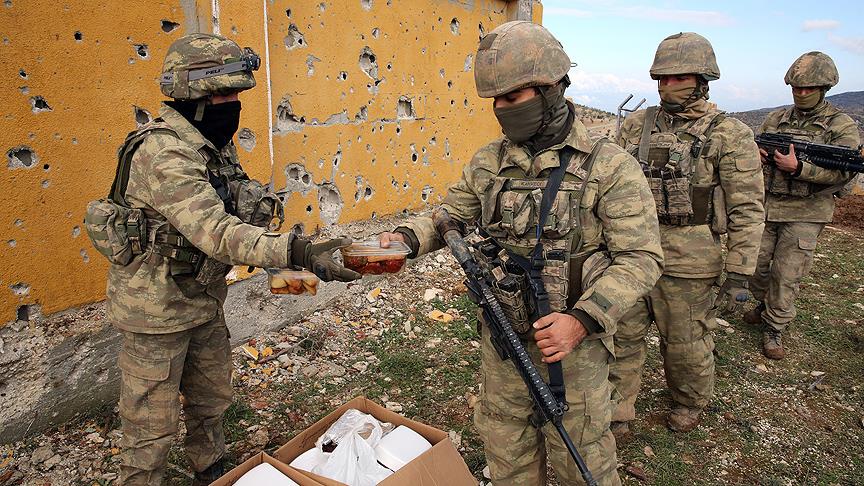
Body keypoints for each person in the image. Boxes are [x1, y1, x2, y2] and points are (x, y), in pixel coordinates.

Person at [378, 21, 663, 485]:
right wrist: (405, 239)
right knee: (508, 456)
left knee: (582, 461)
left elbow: (641, 258)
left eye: (512, 98)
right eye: (495, 101)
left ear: (551, 89)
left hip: (575, 347)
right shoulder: (490, 161)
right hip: (504, 338)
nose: (501, 111)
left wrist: (584, 318)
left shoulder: (609, 166)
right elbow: (449, 214)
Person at [89, 34, 360, 485]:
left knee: (211, 401)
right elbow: (216, 231)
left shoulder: (210, 142)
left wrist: (289, 261)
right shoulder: (164, 152)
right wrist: (300, 253)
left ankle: (211, 473)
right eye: (225, 94)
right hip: (154, 314)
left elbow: (239, 206)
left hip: (202, 296)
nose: (233, 104)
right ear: (194, 94)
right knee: (150, 431)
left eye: (237, 93)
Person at [609, 32, 765, 435]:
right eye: (661, 78)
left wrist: (740, 274)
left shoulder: (729, 134)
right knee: (621, 335)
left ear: (701, 79)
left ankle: (689, 400)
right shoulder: (634, 126)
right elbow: (605, 188)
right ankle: (618, 408)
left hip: (690, 260)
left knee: (685, 343)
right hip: (631, 252)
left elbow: (747, 209)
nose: (666, 86)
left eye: (678, 78)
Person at [745, 51, 860, 360]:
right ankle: (763, 303)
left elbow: (845, 172)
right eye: (798, 88)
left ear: (824, 88)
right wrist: (756, 155)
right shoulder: (776, 118)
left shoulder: (841, 125)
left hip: (808, 210)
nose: (802, 93)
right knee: (755, 266)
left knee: (787, 272)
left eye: (810, 88)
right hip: (769, 205)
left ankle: (775, 327)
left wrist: (799, 169)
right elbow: (756, 147)